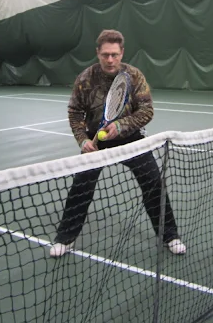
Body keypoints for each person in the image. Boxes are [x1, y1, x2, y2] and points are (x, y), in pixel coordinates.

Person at [50, 29, 186, 257]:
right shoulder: (85, 79)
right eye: (105, 55)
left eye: (114, 54)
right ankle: (65, 238)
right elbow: (75, 113)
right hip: (97, 141)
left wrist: (121, 126)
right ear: (98, 53)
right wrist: (83, 140)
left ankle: (170, 236)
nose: (110, 59)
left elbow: (147, 110)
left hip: (131, 139)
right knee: (81, 187)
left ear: (122, 53)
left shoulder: (134, 76)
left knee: (154, 183)